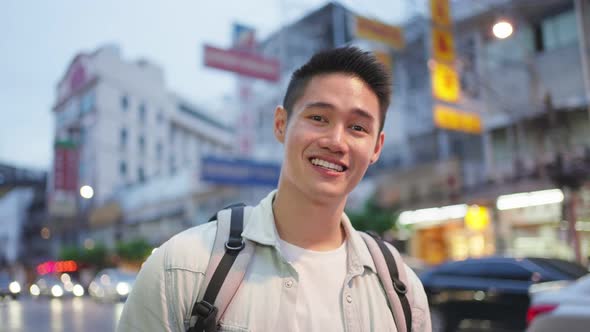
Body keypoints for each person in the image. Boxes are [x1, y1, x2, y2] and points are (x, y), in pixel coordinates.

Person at [117, 46, 431, 332]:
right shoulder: (182, 268)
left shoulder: (403, 292)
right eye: (319, 117)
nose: (336, 141)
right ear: (280, 124)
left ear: (377, 146)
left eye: (357, 127)